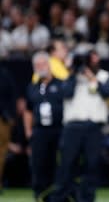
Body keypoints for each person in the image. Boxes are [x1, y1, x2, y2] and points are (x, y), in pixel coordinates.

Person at [51, 49, 109, 202]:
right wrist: (74, 74)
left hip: (93, 126)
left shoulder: (104, 75)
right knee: (66, 163)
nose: (89, 63)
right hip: (72, 126)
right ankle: (61, 197)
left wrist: (92, 78)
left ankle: (86, 197)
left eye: (92, 59)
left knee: (92, 164)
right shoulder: (69, 76)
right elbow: (65, 93)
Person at [24, 51, 64, 201]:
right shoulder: (32, 87)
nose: (40, 67)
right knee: (38, 163)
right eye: (36, 65)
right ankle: (39, 194)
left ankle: (56, 194)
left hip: (58, 129)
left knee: (56, 163)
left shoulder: (61, 84)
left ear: (49, 65)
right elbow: (28, 111)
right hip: (39, 130)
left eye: (42, 64)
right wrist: (28, 130)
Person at [0, 64, 16, 192]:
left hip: (3, 119)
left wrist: (9, 115)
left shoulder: (4, 74)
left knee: (2, 152)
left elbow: (11, 95)